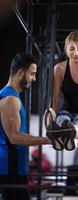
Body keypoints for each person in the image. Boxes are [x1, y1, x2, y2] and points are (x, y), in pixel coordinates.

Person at [0, 52, 52, 200]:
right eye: (32, 74)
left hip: (13, 169)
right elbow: (14, 137)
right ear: (20, 73)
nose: (34, 79)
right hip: (11, 171)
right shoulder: (10, 100)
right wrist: (47, 140)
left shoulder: (9, 96)